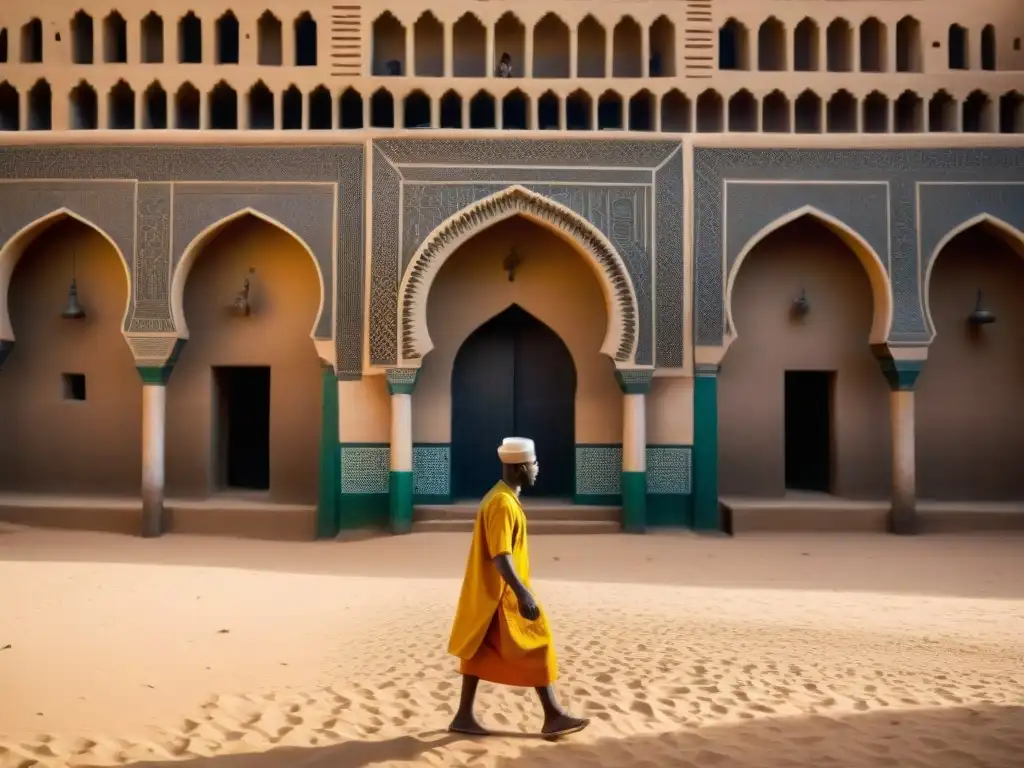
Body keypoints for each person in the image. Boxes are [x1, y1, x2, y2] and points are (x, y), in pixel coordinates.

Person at [447, 437, 589, 738]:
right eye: (534, 463)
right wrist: (522, 592)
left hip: (490, 593)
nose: (537, 468)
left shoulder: (501, 498)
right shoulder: (501, 504)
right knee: (539, 643)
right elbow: (501, 555)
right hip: (501, 595)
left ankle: (463, 716)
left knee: (477, 651)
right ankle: (553, 716)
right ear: (521, 467)